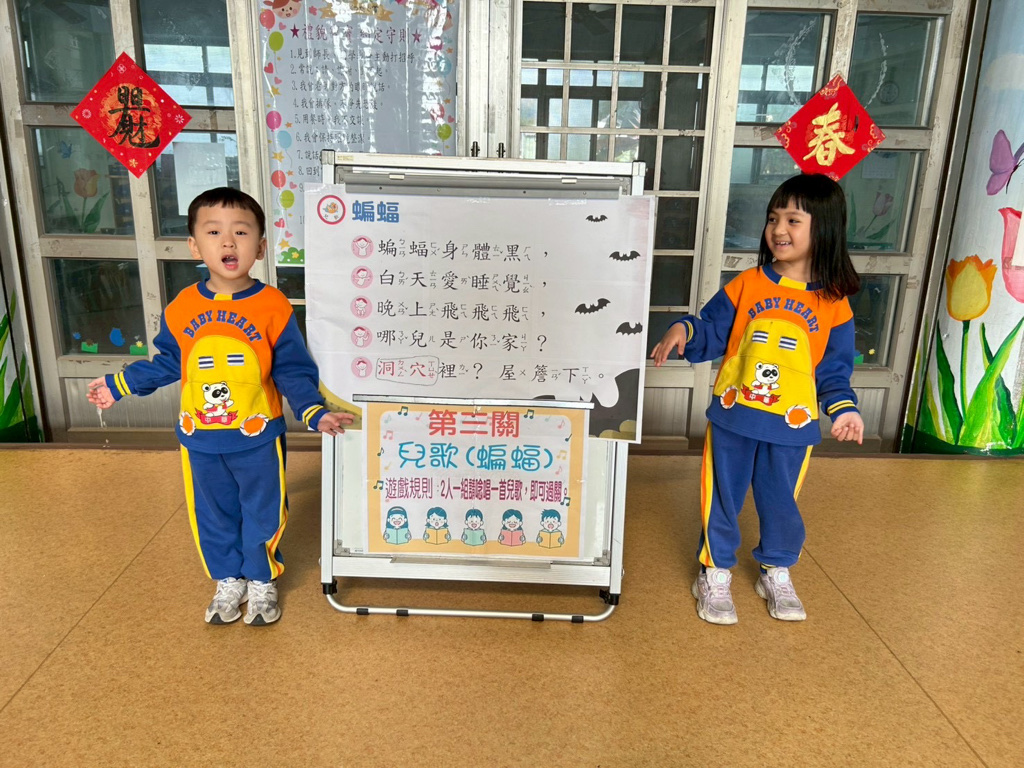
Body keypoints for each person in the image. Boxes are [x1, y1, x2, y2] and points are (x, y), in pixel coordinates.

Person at [87, 187, 353, 626]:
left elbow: (291, 369)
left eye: (241, 232)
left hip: (257, 437)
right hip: (200, 439)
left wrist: (314, 411)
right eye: (214, 232)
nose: (228, 242)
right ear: (195, 245)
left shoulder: (274, 306)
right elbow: (169, 361)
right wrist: (120, 385)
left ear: (261, 247)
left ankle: (261, 578)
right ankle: (228, 578)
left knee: (263, 510)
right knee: (212, 514)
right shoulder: (181, 308)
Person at [650, 173, 864, 625]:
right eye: (772, 218)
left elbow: (834, 369)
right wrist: (683, 330)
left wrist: (843, 409)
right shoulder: (747, 284)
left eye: (793, 220)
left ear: (825, 228)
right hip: (735, 415)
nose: (778, 229)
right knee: (722, 496)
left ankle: (776, 569)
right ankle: (714, 571)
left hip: (792, 425)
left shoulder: (834, 303)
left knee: (781, 500)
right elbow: (711, 330)